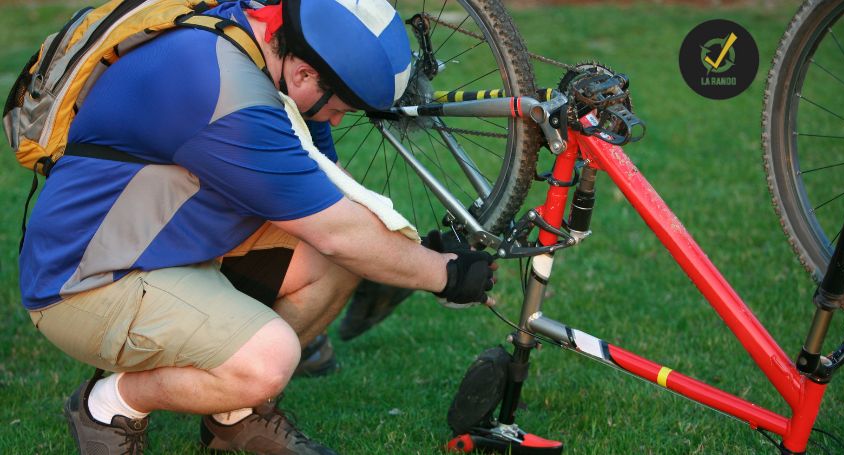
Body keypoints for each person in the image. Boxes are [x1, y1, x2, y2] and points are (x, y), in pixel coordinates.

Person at [18, 1, 495, 454]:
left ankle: (234, 413)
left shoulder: (256, 40)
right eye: (340, 108)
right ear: (306, 72)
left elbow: (332, 208)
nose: (335, 119)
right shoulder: (223, 91)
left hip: (166, 245)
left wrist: (408, 256)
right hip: (89, 280)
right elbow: (336, 229)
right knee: (269, 358)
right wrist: (446, 274)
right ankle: (109, 405)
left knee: (333, 262)